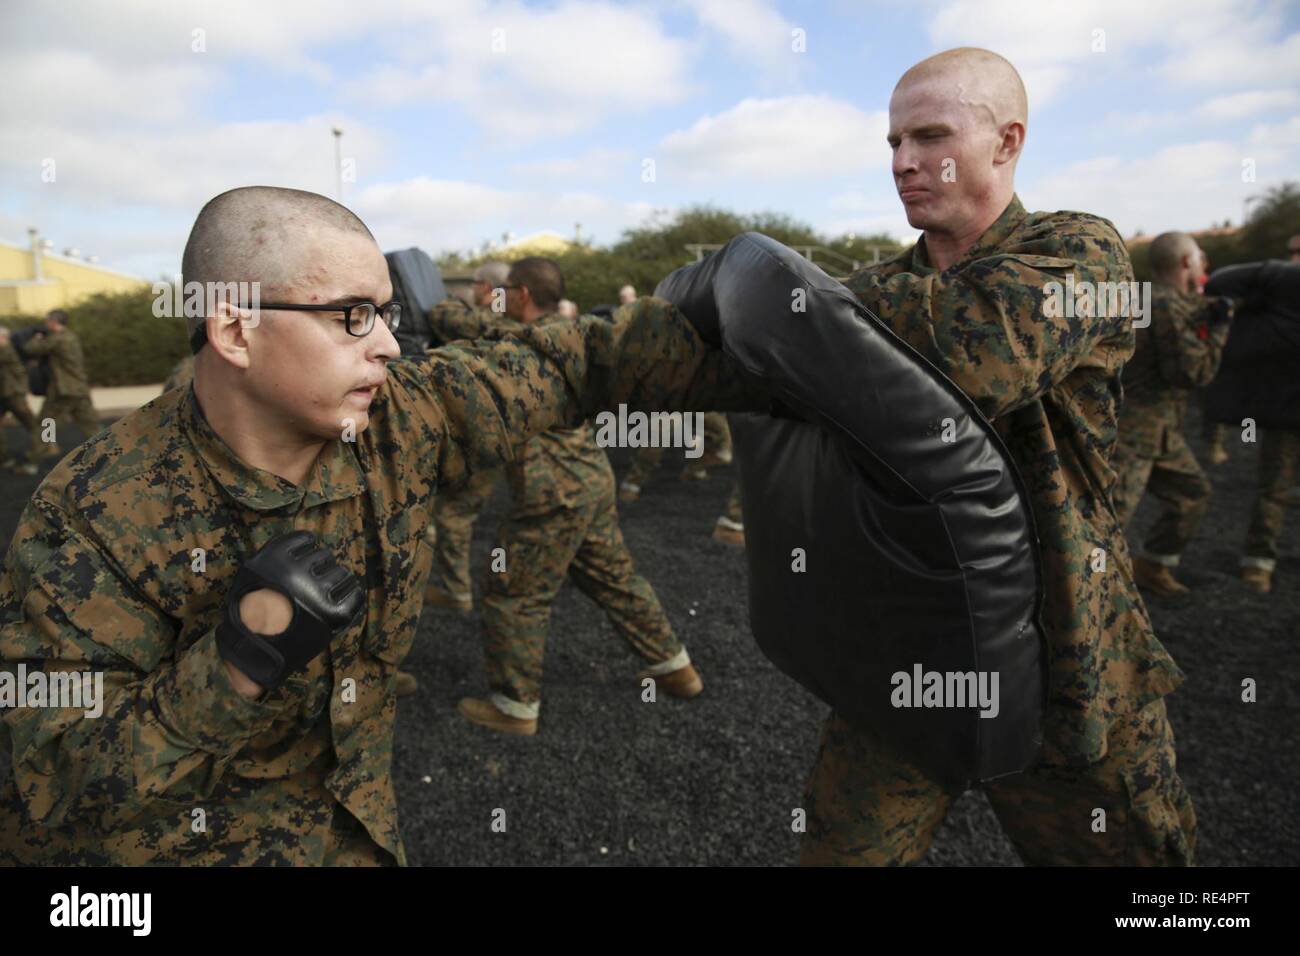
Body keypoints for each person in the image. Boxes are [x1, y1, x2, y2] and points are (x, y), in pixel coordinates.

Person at [0, 187, 755, 865]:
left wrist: (764, 331)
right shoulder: (92, 515)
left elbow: (571, 364)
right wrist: (236, 662)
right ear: (235, 331)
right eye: (353, 316)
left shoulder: (400, 416)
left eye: (387, 314)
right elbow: (61, 784)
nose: (389, 344)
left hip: (361, 832)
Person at [799, 48, 1194, 866]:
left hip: (1070, 669)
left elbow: (984, 349)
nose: (904, 161)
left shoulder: (1081, 255)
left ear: (1006, 142)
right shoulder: (877, 288)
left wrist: (798, 304)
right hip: (911, 661)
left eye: (929, 135)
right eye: (893, 142)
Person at [457, 258, 701, 736]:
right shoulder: (573, 336)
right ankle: (676, 670)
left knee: (514, 593)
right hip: (589, 478)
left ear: (522, 294)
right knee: (615, 579)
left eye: (506, 290)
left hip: (552, 491)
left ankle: (515, 706)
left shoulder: (527, 345)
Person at [1109, 232, 1232, 597]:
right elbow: (1193, 373)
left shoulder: (1151, 298)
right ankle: (1072, 602)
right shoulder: (1165, 305)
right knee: (1106, 520)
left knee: (1192, 494)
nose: (1205, 268)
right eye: (1201, 260)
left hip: (1158, 433)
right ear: (1185, 263)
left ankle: (1151, 565)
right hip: (1133, 435)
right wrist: (1221, 329)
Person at [1203, 237, 1300, 594]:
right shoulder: (1284, 280)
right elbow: (1220, 283)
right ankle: (1258, 561)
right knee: (1274, 487)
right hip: (1289, 412)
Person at [422, 261, 512, 613]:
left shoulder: (485, 321)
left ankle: (457, 591)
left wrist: (450, 300)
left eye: (477, 285)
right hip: (515, 436)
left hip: (482, 432)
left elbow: (442, 314)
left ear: (487, 288)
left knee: (455, 513)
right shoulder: (529, 323)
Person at [22, 309, 100, 460]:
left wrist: (37, 337)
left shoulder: (57, 339)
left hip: (63, 389)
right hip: (79, 387)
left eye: (47, 321)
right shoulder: (70, 336)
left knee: (47, 422)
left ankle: (35, 456)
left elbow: (31, 349)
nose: (45, 324)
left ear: (53, 322)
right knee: (90, 424)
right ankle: (109, 452)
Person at [0, 328, 39, 475]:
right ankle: (4, 457)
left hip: (14, 393)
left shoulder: (7, 350)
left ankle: (46, 445)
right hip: (5, 394)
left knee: (33, 423)